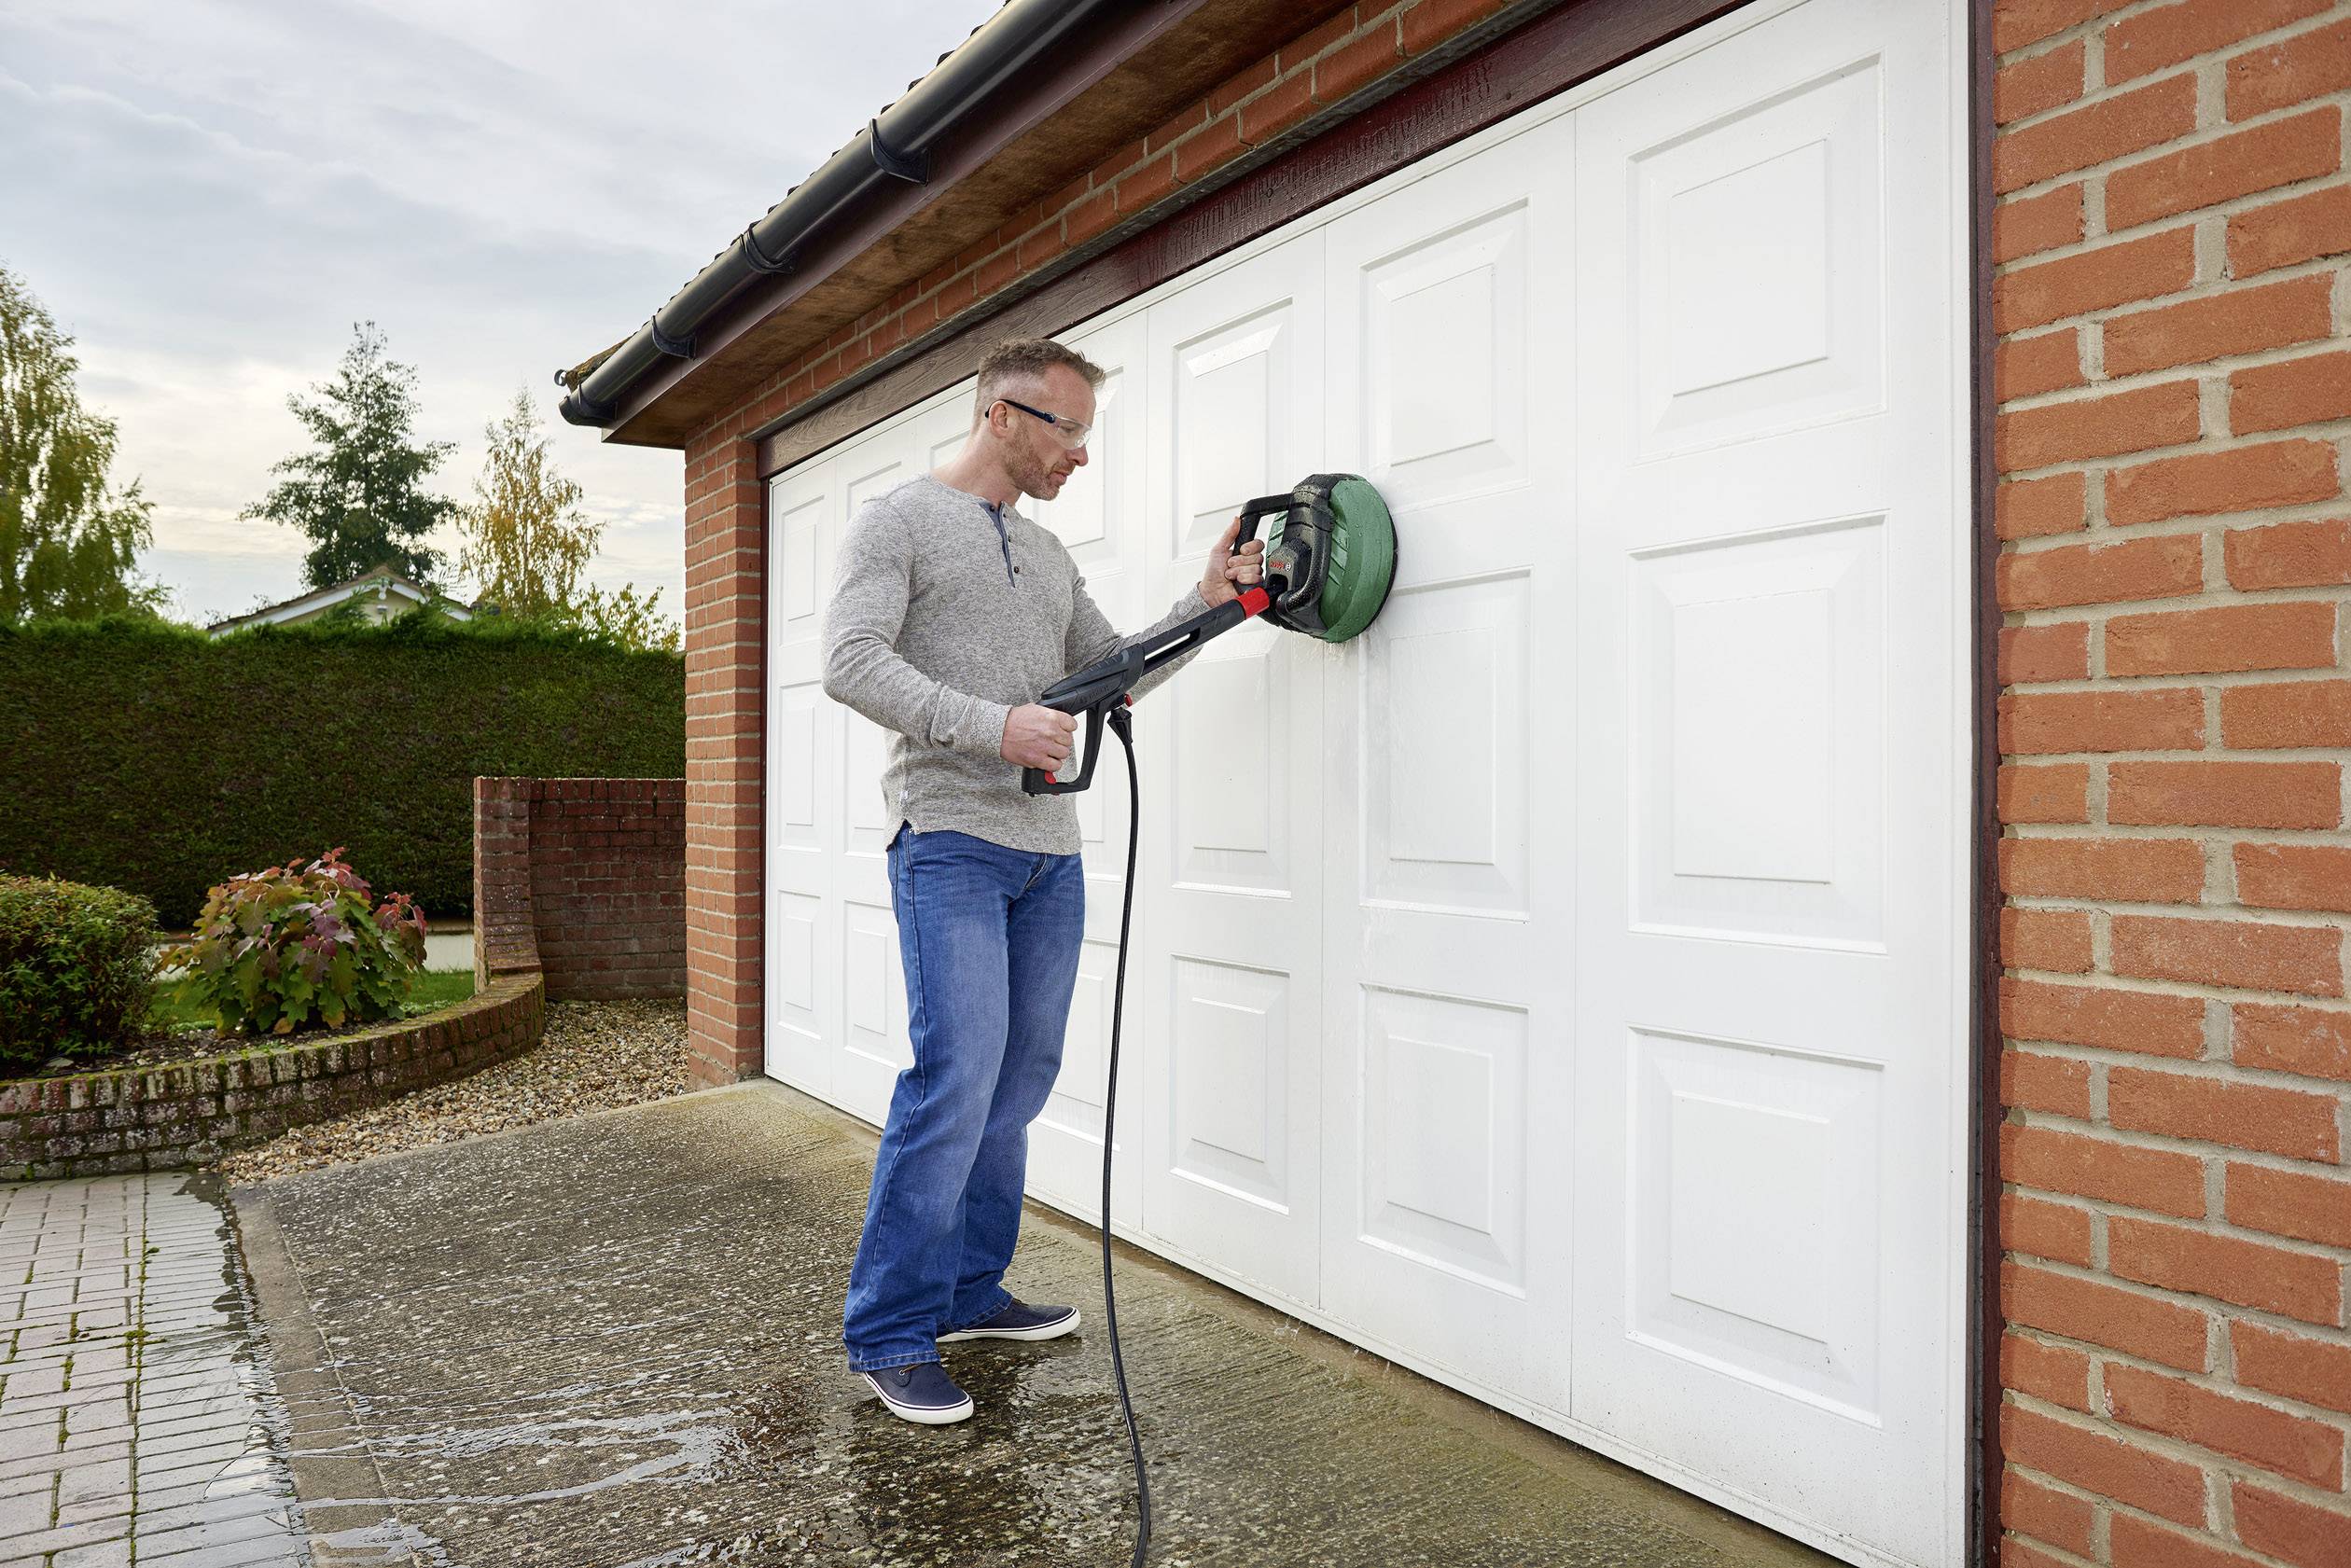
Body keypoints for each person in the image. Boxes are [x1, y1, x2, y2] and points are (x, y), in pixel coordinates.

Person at [821, 336, 1266, 1424]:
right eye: (1069, 431)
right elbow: (850, 659)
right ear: (1004, 415)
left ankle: (972, 1290)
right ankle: (889, 1330)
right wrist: (992, 724)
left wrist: (1207, 604)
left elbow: (1113, 675)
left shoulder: (1049, 554)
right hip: (951, 844)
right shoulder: (898, 521)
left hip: (1049, 859)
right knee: (955, 1078)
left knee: (1017, 1084)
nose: (1079, 457)